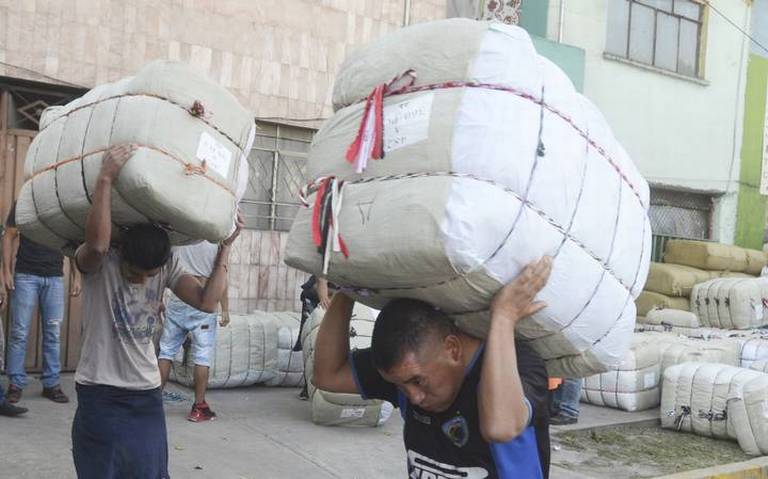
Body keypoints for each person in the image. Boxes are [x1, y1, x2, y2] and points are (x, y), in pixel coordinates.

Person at [71, 144, 242, 479]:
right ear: (122, 254)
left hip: (146, 393)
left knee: (150, 472)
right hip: (99, 390)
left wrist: (225, 247)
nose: (145, 279)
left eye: (152, 275)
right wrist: (105, 178)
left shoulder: (168, 263)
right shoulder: (97, 262)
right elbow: (98, 244)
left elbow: (207, 302)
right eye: (137, 271)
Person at [313, 257, 553, 479]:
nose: (413, 397)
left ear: (452, 349)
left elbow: (500, 427)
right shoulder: (404, 372)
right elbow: (327, 376)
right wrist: (347, 290)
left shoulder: (515, 362)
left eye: (418, 381)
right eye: (401, 386)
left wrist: (503, 317)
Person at [2, 201, 80, 404]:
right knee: (19, 332)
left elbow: (71, 241)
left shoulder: (60, 201)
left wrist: (76, 275)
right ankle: (15, 384)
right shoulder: (24, 202)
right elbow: (10, 235)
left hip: (54, 276)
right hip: (25, 275)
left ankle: (51, 384)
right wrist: (6, 271)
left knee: (53, 332)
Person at [157, 241, 230, 422]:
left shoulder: (183, 236)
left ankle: (153, 403)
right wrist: (225, 308)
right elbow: (221, 275)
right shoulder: (217, 239)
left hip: (178, 298)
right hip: (204, 299)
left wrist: (158, 299)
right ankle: (199, 407)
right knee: (202, 356)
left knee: (166, 352)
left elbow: (162, 270)